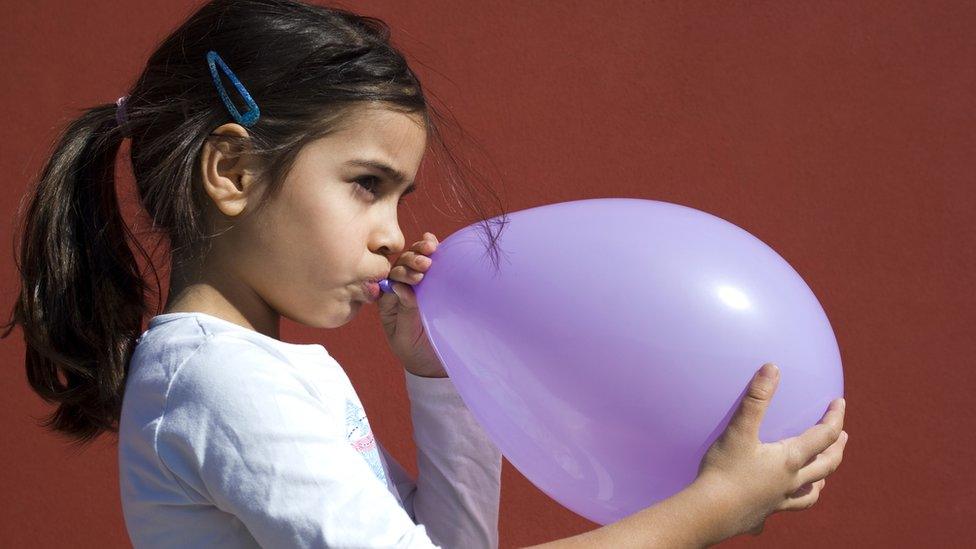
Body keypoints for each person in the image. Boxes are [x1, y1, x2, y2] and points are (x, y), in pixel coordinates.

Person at [1, 1, 848, 547]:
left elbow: (453, 543)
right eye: (366, 186)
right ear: (231, 171)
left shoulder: (253, 370)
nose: (393, 236)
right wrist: (707, 509)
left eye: (400, 197)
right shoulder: (215, 379)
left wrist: (439, 380)